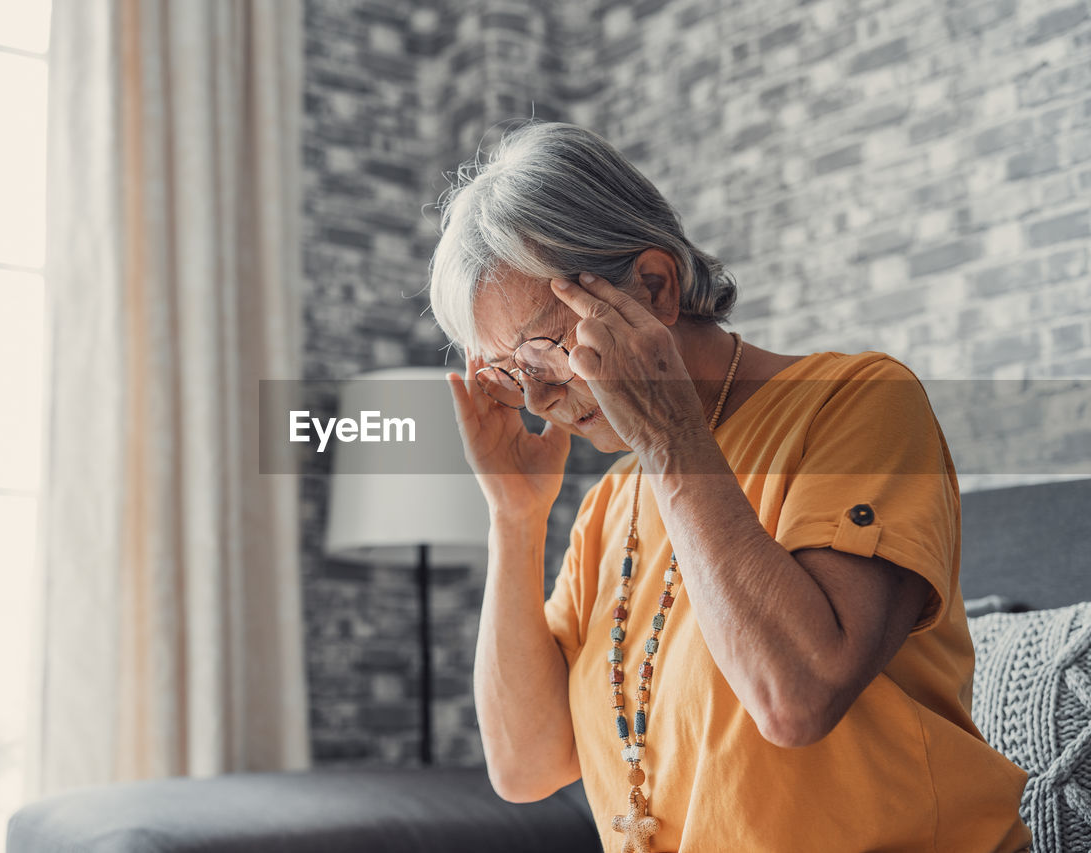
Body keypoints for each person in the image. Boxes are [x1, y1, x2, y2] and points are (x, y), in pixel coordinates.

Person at [430, 121, 1031, 853]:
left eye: (546, 351)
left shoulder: (860, 402)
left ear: (655, 286)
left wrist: (669, 441)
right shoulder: (609, 506)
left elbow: (798, 695)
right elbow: (525, 767)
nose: (537, 399)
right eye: (508, 372)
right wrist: (514, 515)